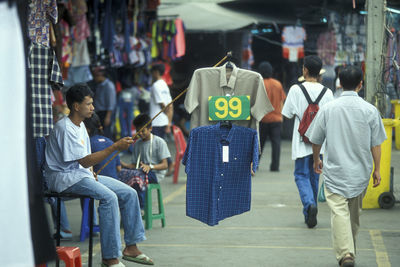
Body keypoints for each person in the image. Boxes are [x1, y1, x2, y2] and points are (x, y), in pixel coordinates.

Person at [44, 84, 154, 266]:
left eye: (92, 103)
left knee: (129, 193)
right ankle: (110, 258)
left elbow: (85, 162)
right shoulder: (64, 128)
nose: (93, 108)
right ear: (76, 106)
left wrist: (92, 172)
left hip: (81, 174)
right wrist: (114, 147)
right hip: (64, 178)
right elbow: (85, 160)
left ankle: (131, 247)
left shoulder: (79, 126)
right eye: (89, 104)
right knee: (109, 198)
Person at [306, 66, 386, 267]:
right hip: (360, 173)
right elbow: (376, 144)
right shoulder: (370, 110)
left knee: (340, 213)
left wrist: (317, 160)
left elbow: (316, 139)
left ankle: (346, 254)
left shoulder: (329, 109)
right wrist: (377, 169)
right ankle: (348, 253)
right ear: (361, 84)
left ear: (339, 84)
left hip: (335, 172)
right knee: (353, 215)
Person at [281, 55, 334, 228]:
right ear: (319, 72)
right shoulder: (328, 93)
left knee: (300, 175)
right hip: (321, 143)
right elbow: (331, 119)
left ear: (304, 70)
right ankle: (310, 214)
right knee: (314, 176)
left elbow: (287, 114)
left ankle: (310, 205)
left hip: (301, 141)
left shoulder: (296, 90)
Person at [122, 114, 171, 206]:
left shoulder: (159, 142)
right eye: (138, 131)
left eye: (143, 131)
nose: (140, 133)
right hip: (141, 171)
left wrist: (150, 167)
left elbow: (165, 165)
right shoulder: (137, 144)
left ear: (150, 128)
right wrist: (122, 164)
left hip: (156, 174)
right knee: (123, 174)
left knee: (136, 177)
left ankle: (141, 206)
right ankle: (128, 205)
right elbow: (134, 165)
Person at [257, 61, 286, 171]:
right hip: (276, 118)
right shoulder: (277, 84)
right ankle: (275, 166)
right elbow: (282, 100)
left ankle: (255, 164)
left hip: (262, 118)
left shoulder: (259, 83)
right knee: (276, 143)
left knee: (259, 143)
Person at [149, 63, 174, 175]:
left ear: (155, 72)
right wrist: (168, 122)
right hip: (163, 122)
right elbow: (170, 105)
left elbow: (162, 105)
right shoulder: (164, 84)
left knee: (158, 146)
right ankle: (166, 165)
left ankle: (169, 163)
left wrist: (167, 118)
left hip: (156, 121)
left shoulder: (155, 86)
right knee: (160, 145)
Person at [92, 66, 117, 139]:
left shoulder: (109, 86)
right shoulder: (100, 85)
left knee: (106, 133)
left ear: (100, 76)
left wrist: (108, 117)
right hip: (99, 112)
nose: (95, 79)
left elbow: (111, 103)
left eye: (96, 76)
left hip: (105, 113)